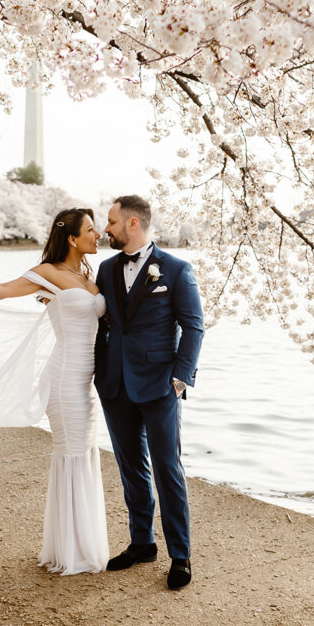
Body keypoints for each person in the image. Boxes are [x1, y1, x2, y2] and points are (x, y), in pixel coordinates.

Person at [0, 207, 109, 576]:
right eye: (92, 230)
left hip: (86, 383)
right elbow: (2, 292)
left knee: (84, 453)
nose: (99, 236)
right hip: (64, 380)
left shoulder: (85, 275)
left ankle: (81, 544)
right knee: (72, 454)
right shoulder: (48, 273)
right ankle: (72, 551)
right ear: (72, 238)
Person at [95, 195, 205, 590]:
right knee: (131, 470)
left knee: (167, 470)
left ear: (133, 223)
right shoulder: (106, 270)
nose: (105, 228)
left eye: (110, 221)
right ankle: (142, 543)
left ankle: (181, 554)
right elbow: (98, 316)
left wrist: (181, 378)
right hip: (115, 384)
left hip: (161, 386)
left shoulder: (175, 269)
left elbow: (194, 327)